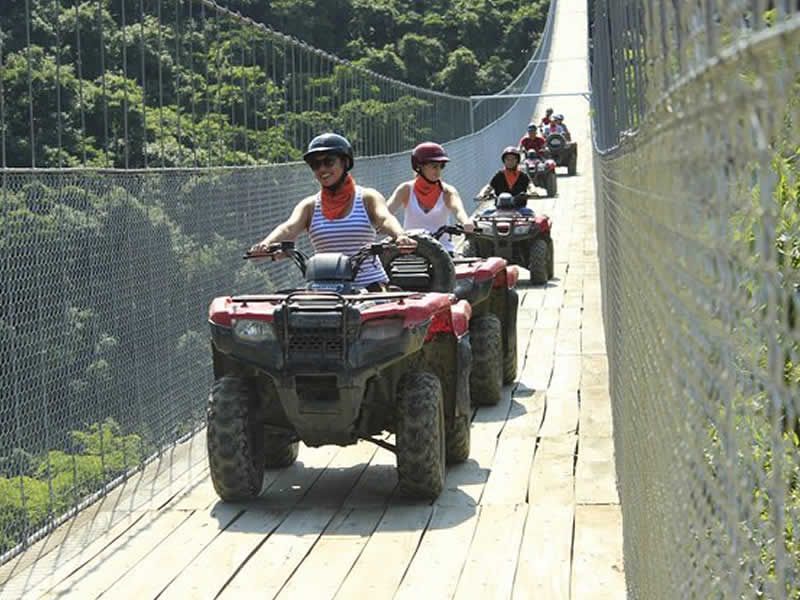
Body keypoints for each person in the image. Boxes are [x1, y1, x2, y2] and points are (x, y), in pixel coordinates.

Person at [249, 133, 416, 291]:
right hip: (323, 290)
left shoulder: (367, 197)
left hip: (370, 286)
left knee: (382, 318)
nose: (322, 169)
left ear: (344, 162)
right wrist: (265, 244)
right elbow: (288, 228)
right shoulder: (310, 206)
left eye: (329, 162)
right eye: (315, 164)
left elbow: (385, 218)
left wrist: (400, 235)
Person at [386, 142, 474, 254]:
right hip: (410, 250)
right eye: (434, 166)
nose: (438, 171)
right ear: (419, 166)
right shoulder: (406, 189)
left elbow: (458, 210)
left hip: (443, 252)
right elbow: (386, 213)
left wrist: (466, 221)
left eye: (441, 166)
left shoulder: (447, 191)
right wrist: (380, 226)